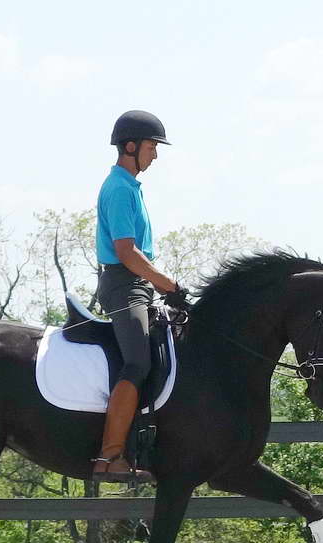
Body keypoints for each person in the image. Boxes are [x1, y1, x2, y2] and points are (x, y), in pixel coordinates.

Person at [92, 110, 186, 483]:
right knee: (137, 362)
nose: (155, 155)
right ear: (130, 146)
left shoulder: (131, 187)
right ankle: (109, 455)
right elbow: (128, 253)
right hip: (124, 284)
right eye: (151, 147)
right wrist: (168, 285)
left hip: (139, 283)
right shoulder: (117, 189)